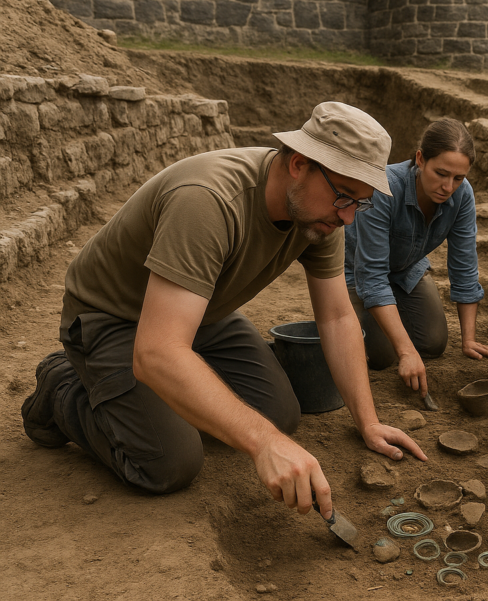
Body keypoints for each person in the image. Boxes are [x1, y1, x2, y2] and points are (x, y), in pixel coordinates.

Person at [21, 102, 427, 520]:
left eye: (358, 204)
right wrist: (263, 444)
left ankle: (160, 385)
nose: (347, 216)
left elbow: (338, 317)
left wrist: (368, 421)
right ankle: (63, 388)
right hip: (114, 316)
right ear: (300, 164)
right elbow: (157, 350)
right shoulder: (207, 201)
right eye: (344, 196)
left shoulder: (324, 214)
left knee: (279, 414)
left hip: (202, 310)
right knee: (169, 463)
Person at [345, 117, 488, 398]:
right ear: (420, 159)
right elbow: (373, 275)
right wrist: (405, 351)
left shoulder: (462, 195)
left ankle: (386, 318)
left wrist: (469, 339)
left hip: (407, 269)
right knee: (383, 357)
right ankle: (351, 317)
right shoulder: (383, 188)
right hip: (357, 270)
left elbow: (464, 266)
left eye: (458, 177)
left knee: (433, 344)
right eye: (440, 173)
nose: (448, 186)